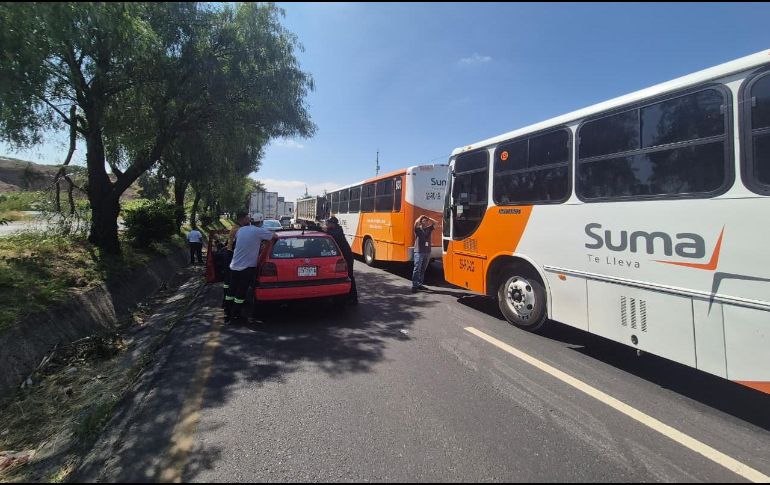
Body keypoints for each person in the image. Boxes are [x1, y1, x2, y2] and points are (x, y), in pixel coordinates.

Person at [224, 212, 277, 324]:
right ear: (261, 222)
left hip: (234, 265)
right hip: (247, 267)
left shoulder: (241, 230)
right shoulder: (258, 231)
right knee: (241, 292)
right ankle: (235, 315)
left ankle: (227, 312)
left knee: (231, 290)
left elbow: (243, 240)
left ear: (251, 221)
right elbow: (275, 237)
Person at [325, 216, 358, 305]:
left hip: (347, 257)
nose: (327, 224)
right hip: (344, 256)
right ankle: (349, 296)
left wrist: (325, 230)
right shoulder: (335, 230)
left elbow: (332, 234)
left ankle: (353, 298)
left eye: (328, 223)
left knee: (349, 276)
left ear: (333, 224)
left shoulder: (337, 231)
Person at [412, 215, 438, 293]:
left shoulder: (429, 229)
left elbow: (436, 223)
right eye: (424, 221)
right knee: (417, 269)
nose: (425, 222)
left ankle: (420, 284)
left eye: (426, 221)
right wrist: (420, 217)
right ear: (421, 222)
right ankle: (414, 286)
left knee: (423, 269)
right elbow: (415, 222)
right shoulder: (417, 229)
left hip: (427, 252)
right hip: (419, 252)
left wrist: (429, 218)